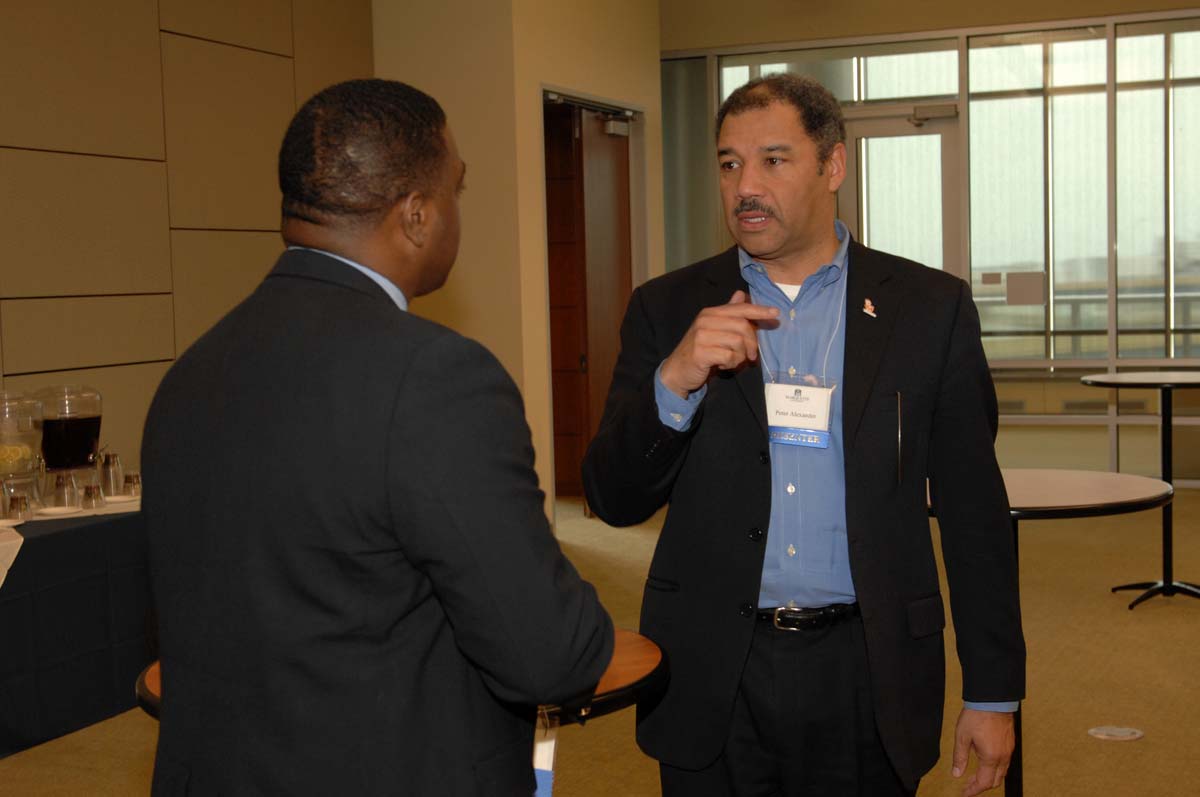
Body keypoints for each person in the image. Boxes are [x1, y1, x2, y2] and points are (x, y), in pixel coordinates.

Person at [142, 79, 613, 796]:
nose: (459, 211)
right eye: (457, 189)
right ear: (417, 215)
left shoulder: (191, 372)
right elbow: (549, 654)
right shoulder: (437, 378)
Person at [583, 73, 1024, 796]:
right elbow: (611, 497)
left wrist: (993, 690)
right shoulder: (667, 309)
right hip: (714, 668)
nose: (745, 187)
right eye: (730, 163)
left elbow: (975, 512)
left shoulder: (928, 309)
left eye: (773, 160)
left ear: (833, 165)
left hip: (869, 665)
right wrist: (675, 380)